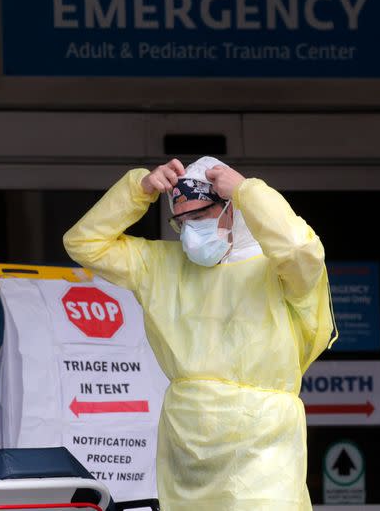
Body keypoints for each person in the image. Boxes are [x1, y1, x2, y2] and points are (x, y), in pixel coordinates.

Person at [63, 156, 336, 511]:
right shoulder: (159, 265)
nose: (191, 230)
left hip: (263, 444)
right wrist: (138, 189)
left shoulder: (278, 268)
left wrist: (246, 190)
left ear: (232, 210)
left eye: (201, 215)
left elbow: (301, 249)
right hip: (188, 445)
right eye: (181, 220)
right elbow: (83, 243)